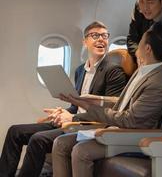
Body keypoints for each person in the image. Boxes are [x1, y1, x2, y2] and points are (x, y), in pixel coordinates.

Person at [0, 21, 127, 177]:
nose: (101, 39)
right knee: (15, 131)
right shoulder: (80, 70)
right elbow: (75, 106)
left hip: (88, 126)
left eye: (105, 36)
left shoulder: (113, 71)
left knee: (38, 140)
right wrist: (62, 112)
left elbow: (109, 112)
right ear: (85, 41)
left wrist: (72, 117)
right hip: (74, 121)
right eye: (95, 35)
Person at [52, 22, 162, 177]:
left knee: (81, 151)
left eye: (141, 42)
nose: (136, 47)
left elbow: (130, 119)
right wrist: (94, 100)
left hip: (133, 138)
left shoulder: (157, 83)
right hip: (118, 131)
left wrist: (89, 108)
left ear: (147, 49)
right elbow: (123, 102)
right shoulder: (143, 71)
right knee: (61, 143)